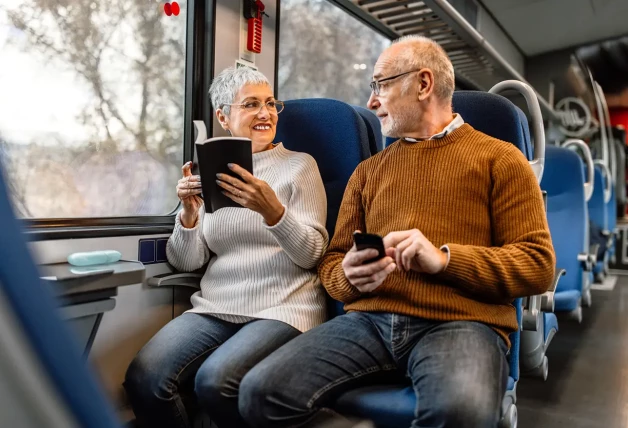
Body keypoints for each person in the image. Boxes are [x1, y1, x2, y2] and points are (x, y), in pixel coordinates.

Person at [238, 35, 556, 428]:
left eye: (381, 85)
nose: (371, 102)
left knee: (460, 413)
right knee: (259, 392)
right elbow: (333, 266)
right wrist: (349, 276)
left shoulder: (501, 159)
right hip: (368, 322)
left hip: (462, 322)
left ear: (423, 84)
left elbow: (537, 265)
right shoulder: (369, 172)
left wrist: (444, 260)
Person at [123, 66, 329, 428]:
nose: (265, 114)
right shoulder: (213, 171)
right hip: (217, 305)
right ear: (223, 116)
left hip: (283, 305)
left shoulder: (299, 167)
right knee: (144, 378)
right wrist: (189, 214)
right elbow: (188, 260)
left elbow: (312, 253)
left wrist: (273, 211)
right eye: (251, 104)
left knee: (216, 381)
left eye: (270, 104)